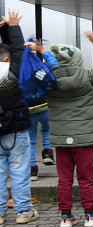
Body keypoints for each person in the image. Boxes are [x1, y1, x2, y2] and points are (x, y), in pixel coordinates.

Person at [46, 31, 93, 227]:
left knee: (64, 179)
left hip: (60, 139)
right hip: (83, 140)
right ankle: (90, 215)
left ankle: (66, 216)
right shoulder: (89, 77)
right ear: (78, 61)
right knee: (86, 178)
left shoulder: (49, 81)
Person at [0, 9, 39, 226]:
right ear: (6, 60)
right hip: (16, 129)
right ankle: (23, 211)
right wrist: (12, 28)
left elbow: (11, 54)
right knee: (19, 170)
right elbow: (18, 54)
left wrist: (6, 30)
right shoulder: (13, 74)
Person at [24, 38, 57, 181]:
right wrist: (42, 51)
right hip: (44, 105)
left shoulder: (20, 68)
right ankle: (48, 154)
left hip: (28, 109)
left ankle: (32, 170)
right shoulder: (42, 67)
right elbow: (55, 66)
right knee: (46, 130)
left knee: (30, 140)